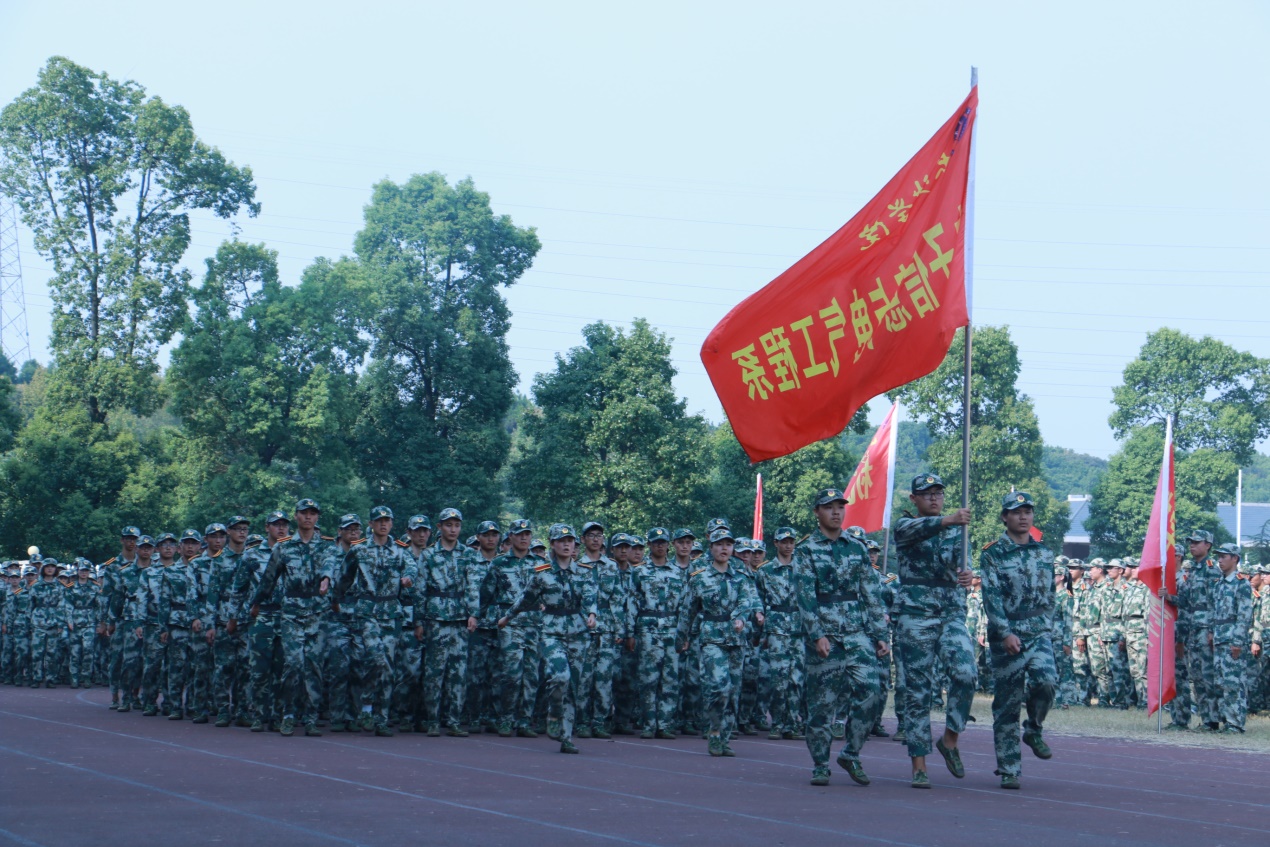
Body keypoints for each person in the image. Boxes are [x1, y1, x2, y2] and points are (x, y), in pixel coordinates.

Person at [796, 490, 889, 787]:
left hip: (856, 632)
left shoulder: (857, 548)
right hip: (824, 634)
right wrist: (816, 634)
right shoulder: (806, 549)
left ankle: (851, 752)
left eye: (840, 507)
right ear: (817, 512)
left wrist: (880, 634)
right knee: (822, 704)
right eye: (829, 507)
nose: (836, 512)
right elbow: (805, 596)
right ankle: (821, 764)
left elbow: (871, 593)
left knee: (872, 690)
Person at [893, 473, 975, 789]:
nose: (934, 498)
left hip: (950, 614)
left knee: (966, 674)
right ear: (914, 499)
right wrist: (950, 519)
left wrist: (966, 573)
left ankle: (950, 739)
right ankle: (919, 764)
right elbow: (920, 529)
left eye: (938, 493)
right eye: (927, 494)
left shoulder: (957, 532)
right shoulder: (906, 526)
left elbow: (962, 564)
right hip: (915, 615)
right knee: (918, 691)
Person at [979, 492, 1057, 790]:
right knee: (1008, 703)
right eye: (1016, 512)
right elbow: (991, 598)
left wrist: (1047, 626)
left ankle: (1034, 728)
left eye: (1027, 511)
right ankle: (1009, 767)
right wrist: (1005, 633)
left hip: (1038, 631)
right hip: (1007, 633)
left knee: (1046, 682)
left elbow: (1050, 595)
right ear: (1005, 517)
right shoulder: (993, 553)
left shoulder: (1044, 553)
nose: (1023, 517)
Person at [499, 524, 598, 754]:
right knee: (560, 676)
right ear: (552, 544)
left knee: (573, 686)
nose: (566, 545)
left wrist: (592, 614)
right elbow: (526, 598)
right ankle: (554, 711)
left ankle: (566, 736)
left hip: (578, 631)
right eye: (561, 541)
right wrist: (508, 616)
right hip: (551, 630)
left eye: (570, 541)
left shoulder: (585, 571)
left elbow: (591, 596)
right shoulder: (542, 572)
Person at [245, 499, 334, 737]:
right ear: (296, 516)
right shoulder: (283, 548)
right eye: (304, 513)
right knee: (293, 664)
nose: (308, 517)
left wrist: (326, 579)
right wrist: (256, 603)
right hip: (292, 613)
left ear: (317, 517)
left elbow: (330, 565)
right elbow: (268, 579)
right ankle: (288, 714)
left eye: (313, 513)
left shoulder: (326, 546)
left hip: (317, 613)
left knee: (314, 666)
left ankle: (311, 718)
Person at [676, 527, 762, 758]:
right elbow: (687, 611)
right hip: (712, 637)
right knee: (719, 687)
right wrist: (681, 638)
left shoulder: (742, 576)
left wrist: (741, 618)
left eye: (728, 544)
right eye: (719, 544)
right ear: (711, 548)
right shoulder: (699, 577)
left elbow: (748, 601)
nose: (724, 548)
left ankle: (724, 737)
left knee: (733, 690)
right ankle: (713, 730)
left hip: (736, 638)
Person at [333, 505, 413, 736]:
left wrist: (409, 577)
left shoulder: (400, 550)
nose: (383, 524)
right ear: (371, 524)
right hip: (367, 611)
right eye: (379, 521)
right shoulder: (359, 550)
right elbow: (344, 577)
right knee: (377, 658)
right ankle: (366, 704)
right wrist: (336, 599)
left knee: (388, 667)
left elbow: (411, 568)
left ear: (392, 524)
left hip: (391, 612)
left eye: (387, 520)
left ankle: (380, 719)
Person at [418, 507, 479, 737]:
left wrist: (473, 613)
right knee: (434, 672)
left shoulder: (468, 554)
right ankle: (432, 719)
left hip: (460, 619)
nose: (453, 529)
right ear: (440, 527)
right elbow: (420, 589)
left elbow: (473, 585)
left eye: (457, 525)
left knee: (458, 672)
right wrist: (418, 621)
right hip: (436, 618)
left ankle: (454, 720)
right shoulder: (428, 554)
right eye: (448, 525)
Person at [630, 526, 686, 739]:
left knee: (670, 679)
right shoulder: (639, 572)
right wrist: (629, 632)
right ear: (649, 545)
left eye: (663, 543)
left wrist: (685, 634)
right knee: (648, 678)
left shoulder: (678, 572)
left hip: (672, 628)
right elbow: (632, 603)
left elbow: (685, 606)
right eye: (655, 543)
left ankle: (665, 724)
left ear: (668, 545)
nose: (660, 546)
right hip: (647, 628)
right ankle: (648, 723)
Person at [760, 527, 806, 741]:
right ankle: (777, 723)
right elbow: (758, 601)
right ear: (776, 543)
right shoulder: (766, 571)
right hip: (776, 628)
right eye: (784, 541)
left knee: (796, 679)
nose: (788, 545)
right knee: (779, 678)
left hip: (799, 627)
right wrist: (761, 632)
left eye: (791, 541)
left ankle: (792, 723)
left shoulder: (803, 569)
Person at [1211, 543, 1253, 733]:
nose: (1220, 560)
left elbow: (1244, 616)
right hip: (1220, 638)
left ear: (1235, 558)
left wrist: (1237, 641)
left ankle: (1235, 723)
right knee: (1221, 682)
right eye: (1219, 556)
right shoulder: (1219, 584)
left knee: (1234, 683)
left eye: (1224, 556)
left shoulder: (1241, 584)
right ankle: (1227, 720)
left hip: (1232, 639)